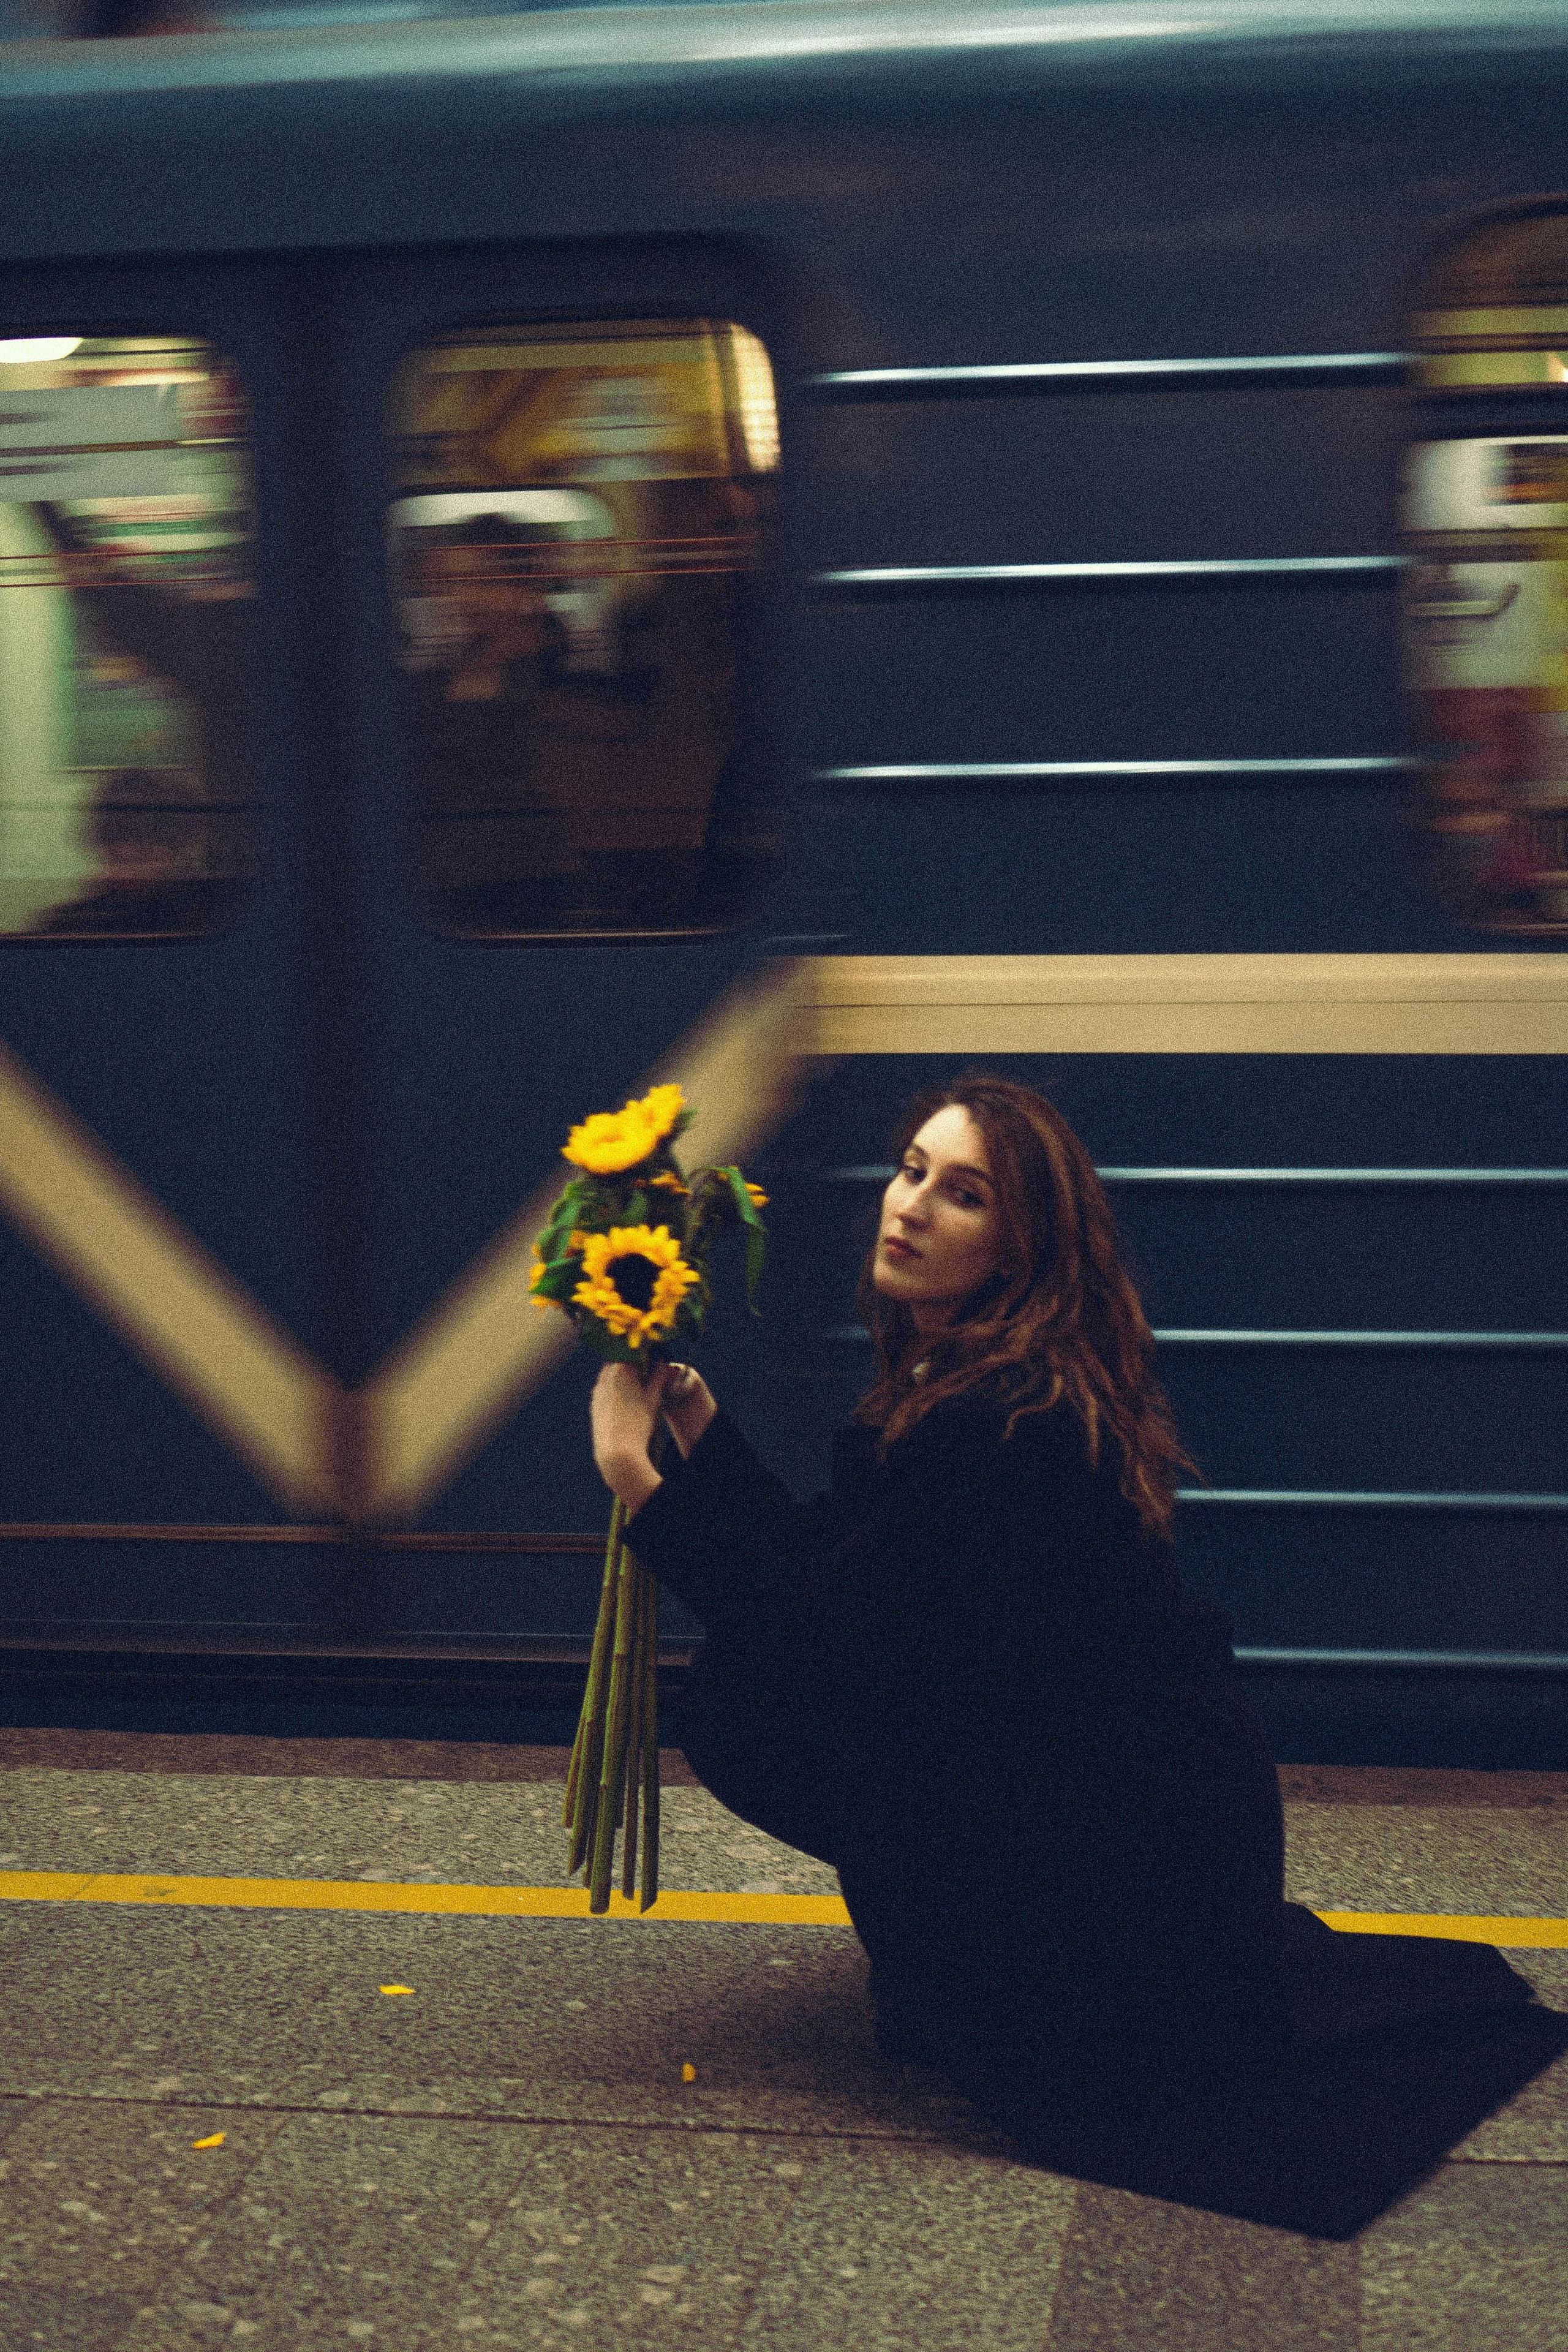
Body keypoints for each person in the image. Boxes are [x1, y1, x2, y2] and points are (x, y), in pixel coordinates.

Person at [588, 1074, 1568, 2238]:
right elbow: (838, 1570)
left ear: (1023, 1246)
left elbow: (832, 1634)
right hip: (1112, 1799)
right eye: (912, 1171)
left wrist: (639, 1480)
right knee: (760, 1687)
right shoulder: (965, 1373)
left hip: (1124, 1849)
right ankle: (952, 1953)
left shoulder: (1006, 1419)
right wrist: (699, 1426)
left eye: (963, 1195)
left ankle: (983, 1967)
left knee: (757, 1694)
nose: (910, 1206)